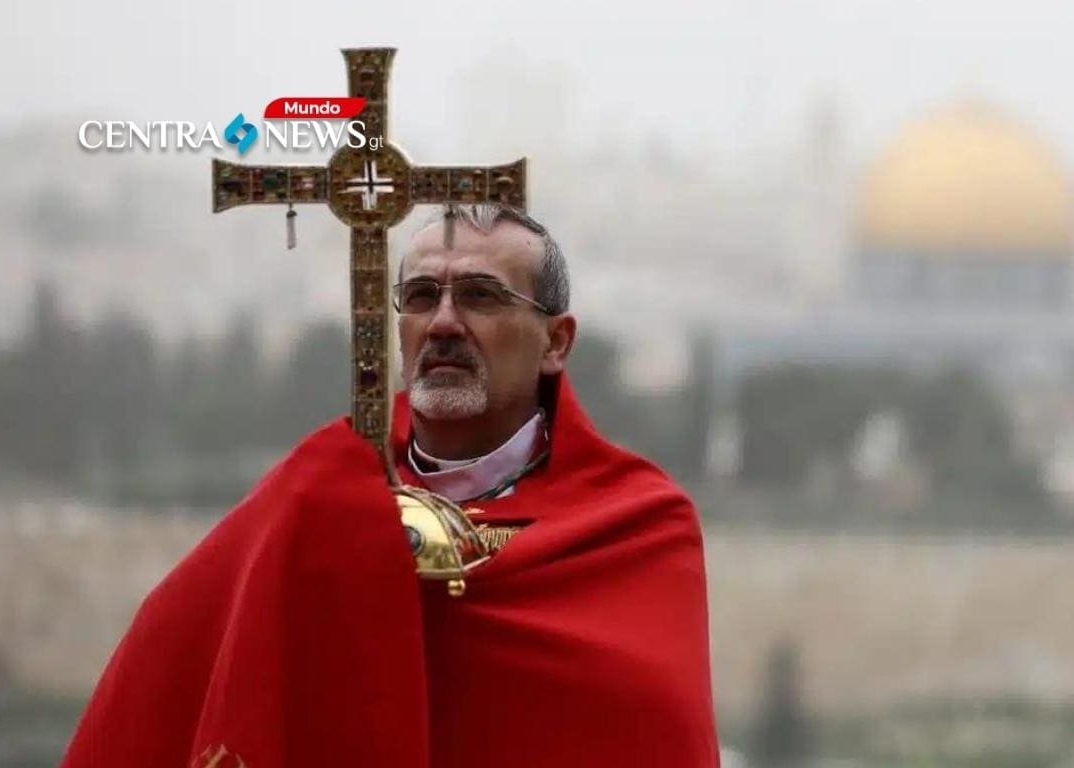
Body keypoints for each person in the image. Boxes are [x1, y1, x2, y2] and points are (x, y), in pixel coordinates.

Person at [61, 204, 719, 768]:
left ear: (557, 341)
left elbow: (652, 731)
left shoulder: (638, 525)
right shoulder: (313, 490)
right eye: (423, 296)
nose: (443, 323)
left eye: (482, 296)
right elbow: (169, 663)